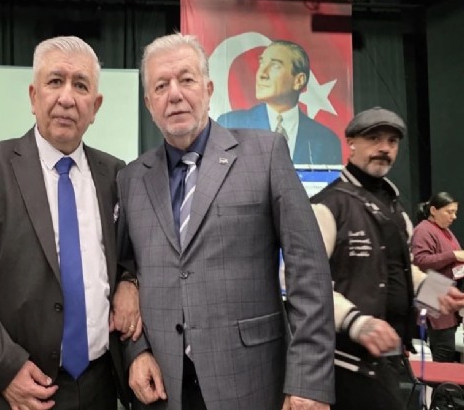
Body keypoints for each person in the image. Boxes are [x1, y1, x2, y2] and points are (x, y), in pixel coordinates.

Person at [119, 33, 335, 410]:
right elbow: (126, 272)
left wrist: (309, 380)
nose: (174, 94)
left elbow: (309, 270)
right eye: (161, 86)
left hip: (251, 381)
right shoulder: (131, 178)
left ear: (208, 89)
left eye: (186, 80)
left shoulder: (265, 154)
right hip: (164, 389)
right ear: (149, 103)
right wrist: (136, 351)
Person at [0, 36, 140, 410]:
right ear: (34, 97)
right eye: (55, 81)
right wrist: (6, 369)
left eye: (81, 86)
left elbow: (129, 256)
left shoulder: (116, 174)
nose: (67, 98)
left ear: (95, 106)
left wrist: (130, 282)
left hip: (98, 386)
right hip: (13, 390)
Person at [311, 108, 464, 409]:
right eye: (374, 138)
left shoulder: (396, 209)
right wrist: (357, 323)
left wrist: (436, 292)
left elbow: (405, 270)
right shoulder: (326, 206)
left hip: (391, 358)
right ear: (351, 143)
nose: (384, 147)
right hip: (343, 362)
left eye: (392, 141)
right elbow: (305, 284)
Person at [217, 39, 341, 165]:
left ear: (298, 81)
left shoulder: (326, 140)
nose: (261, 74)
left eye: (275, 65)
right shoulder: (230, 124)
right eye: (261, 63)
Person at [412, 191, 464, 362]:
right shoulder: (423, 230)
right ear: (433, 210)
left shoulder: (444, 230)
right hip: (433, 293)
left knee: (446, 349)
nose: (454, 217)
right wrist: (454, 255)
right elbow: (421, 261)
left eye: (455, 212)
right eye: (449, 212)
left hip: (445, 293)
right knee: (443, 350)